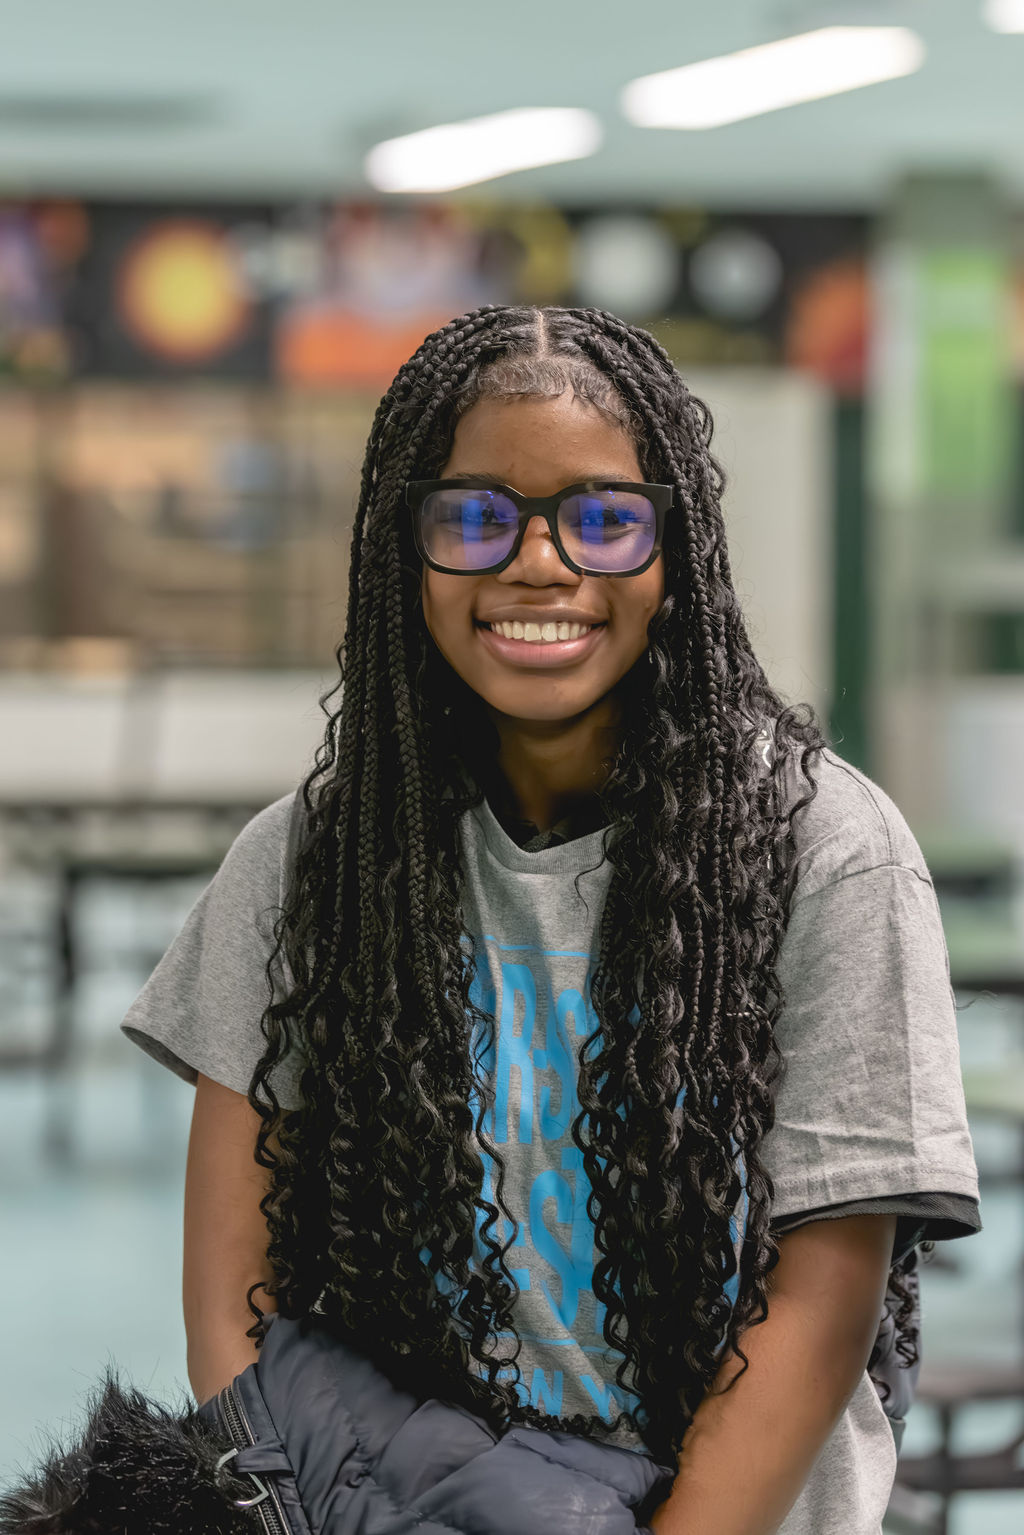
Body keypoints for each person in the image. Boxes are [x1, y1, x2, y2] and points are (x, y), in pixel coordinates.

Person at [121, 304, 980, 1535]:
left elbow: (821, 1304)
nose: (539, 562)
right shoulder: (310, 859)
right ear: (402, 552)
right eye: (474, 516)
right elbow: (233, 1301)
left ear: (672, 552)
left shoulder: (825, 853)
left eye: (602, 516)